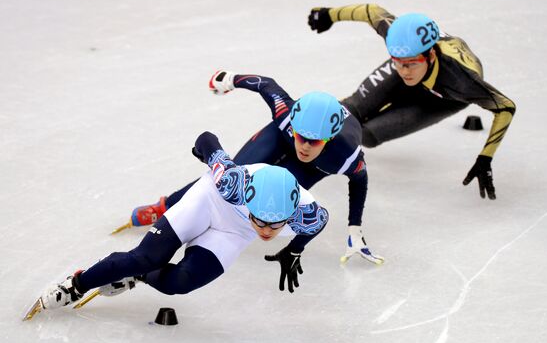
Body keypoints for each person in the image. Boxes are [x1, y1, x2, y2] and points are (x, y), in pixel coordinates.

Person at [37, 131, 329, 314]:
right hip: (209, 201)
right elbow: (207, 139)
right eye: (260, 220)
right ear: (248, 201)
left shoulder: (308, 215)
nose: (265, 231)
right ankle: (75, 284)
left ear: (288, 216)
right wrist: (200, 150)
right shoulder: (232, 183)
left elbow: (315, 227)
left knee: (180, 283)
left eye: (274, 226)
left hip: (234, 232)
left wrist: (294, 250)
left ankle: (136, 275)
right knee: (146, 257)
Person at [129, 70, 384, 264]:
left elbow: (359, 181)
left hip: (316, 166)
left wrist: (354, 228)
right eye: (301, 136)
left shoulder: (345, 155)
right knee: (232, 175)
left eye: (313, 141)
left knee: (275, 193)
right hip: (279, 137)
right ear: (294, 127)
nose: (304, 146)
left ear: (328, 139)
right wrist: (229, 79)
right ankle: (165, 205)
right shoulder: (286, 116)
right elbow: (266, 85)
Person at [307, 4, 516, 200]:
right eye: (398, 63)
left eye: (410, 65)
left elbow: (505, 107)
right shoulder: (404, 46)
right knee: (350, 110)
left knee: (368, 135)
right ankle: (307, 133)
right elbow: (371, 11)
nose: (405, 72)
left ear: (431, 55)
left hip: (443, 98)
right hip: (423, 67)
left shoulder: (462, 80)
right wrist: (329, 14)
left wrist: (485, 158)